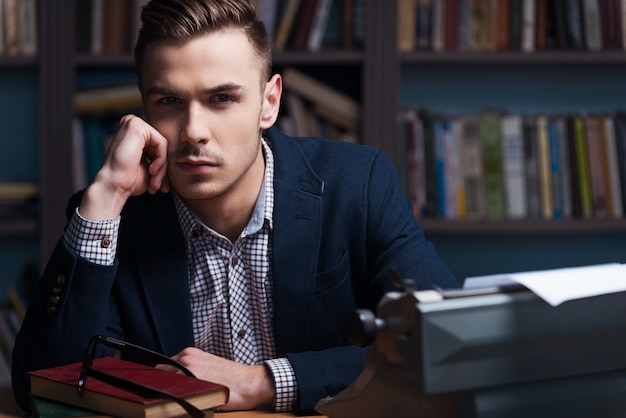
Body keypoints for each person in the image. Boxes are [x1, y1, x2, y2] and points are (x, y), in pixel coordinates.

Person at [12, 0, 458, 413]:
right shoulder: (112, 216)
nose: (193, 132)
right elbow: (46, 392)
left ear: (269, 102)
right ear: (144, 106)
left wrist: (262, 381)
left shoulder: (358, 185)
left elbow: (442, 345)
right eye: (168, 101)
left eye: (221, 98)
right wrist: (105, 194)